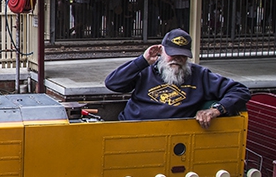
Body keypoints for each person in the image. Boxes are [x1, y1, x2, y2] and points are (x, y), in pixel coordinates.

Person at [105, 28, 250, 128]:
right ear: (161, 51)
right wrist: (142, 60)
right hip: (132, 130)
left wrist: (215, 110)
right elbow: (112, 84)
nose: (177, 59)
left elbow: (240, 90)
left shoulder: (200, 75)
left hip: (175, 135)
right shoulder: (145, 70)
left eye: (182, 55)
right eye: (172, 54)